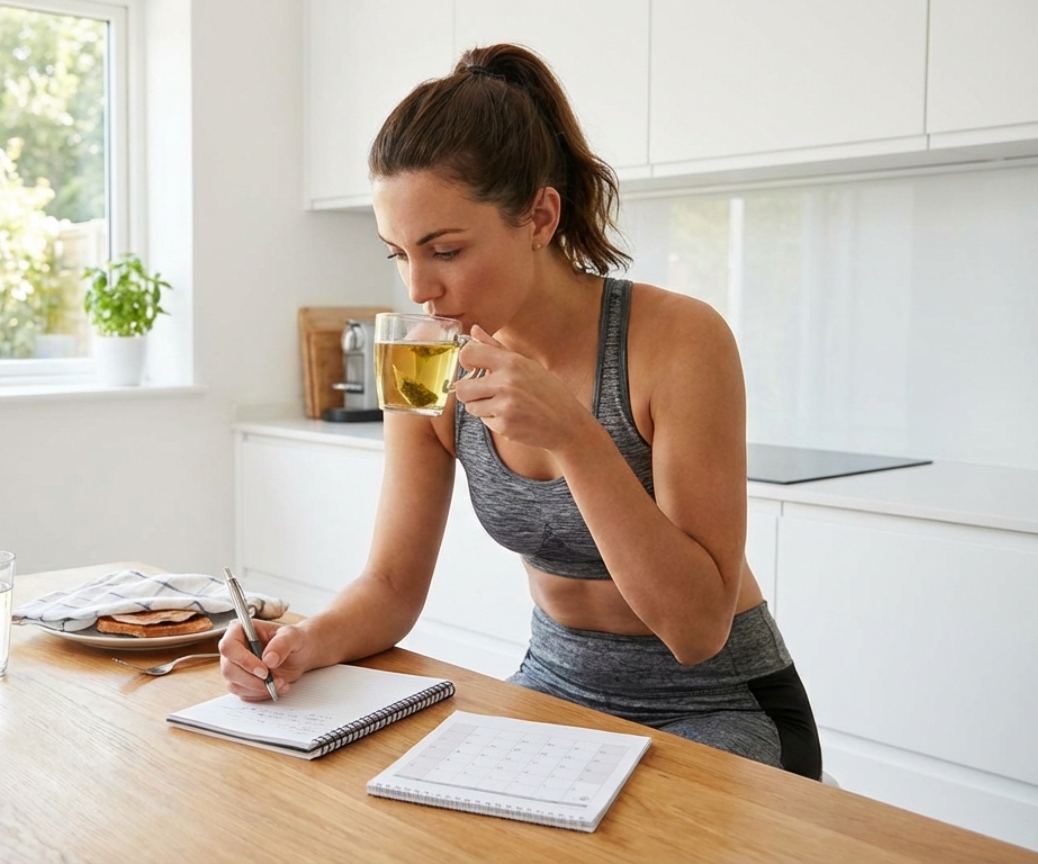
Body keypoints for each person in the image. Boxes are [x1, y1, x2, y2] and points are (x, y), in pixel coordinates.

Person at [219, 42, 822, 779]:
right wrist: (302, 643)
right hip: (558, 689)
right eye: (396, 253)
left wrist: (576, 436)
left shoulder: (680, 341)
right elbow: (390, 587)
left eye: (444, 249)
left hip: (722, 701)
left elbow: (697, 629)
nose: (418, 288)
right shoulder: (422, 357)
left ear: (538, 216)